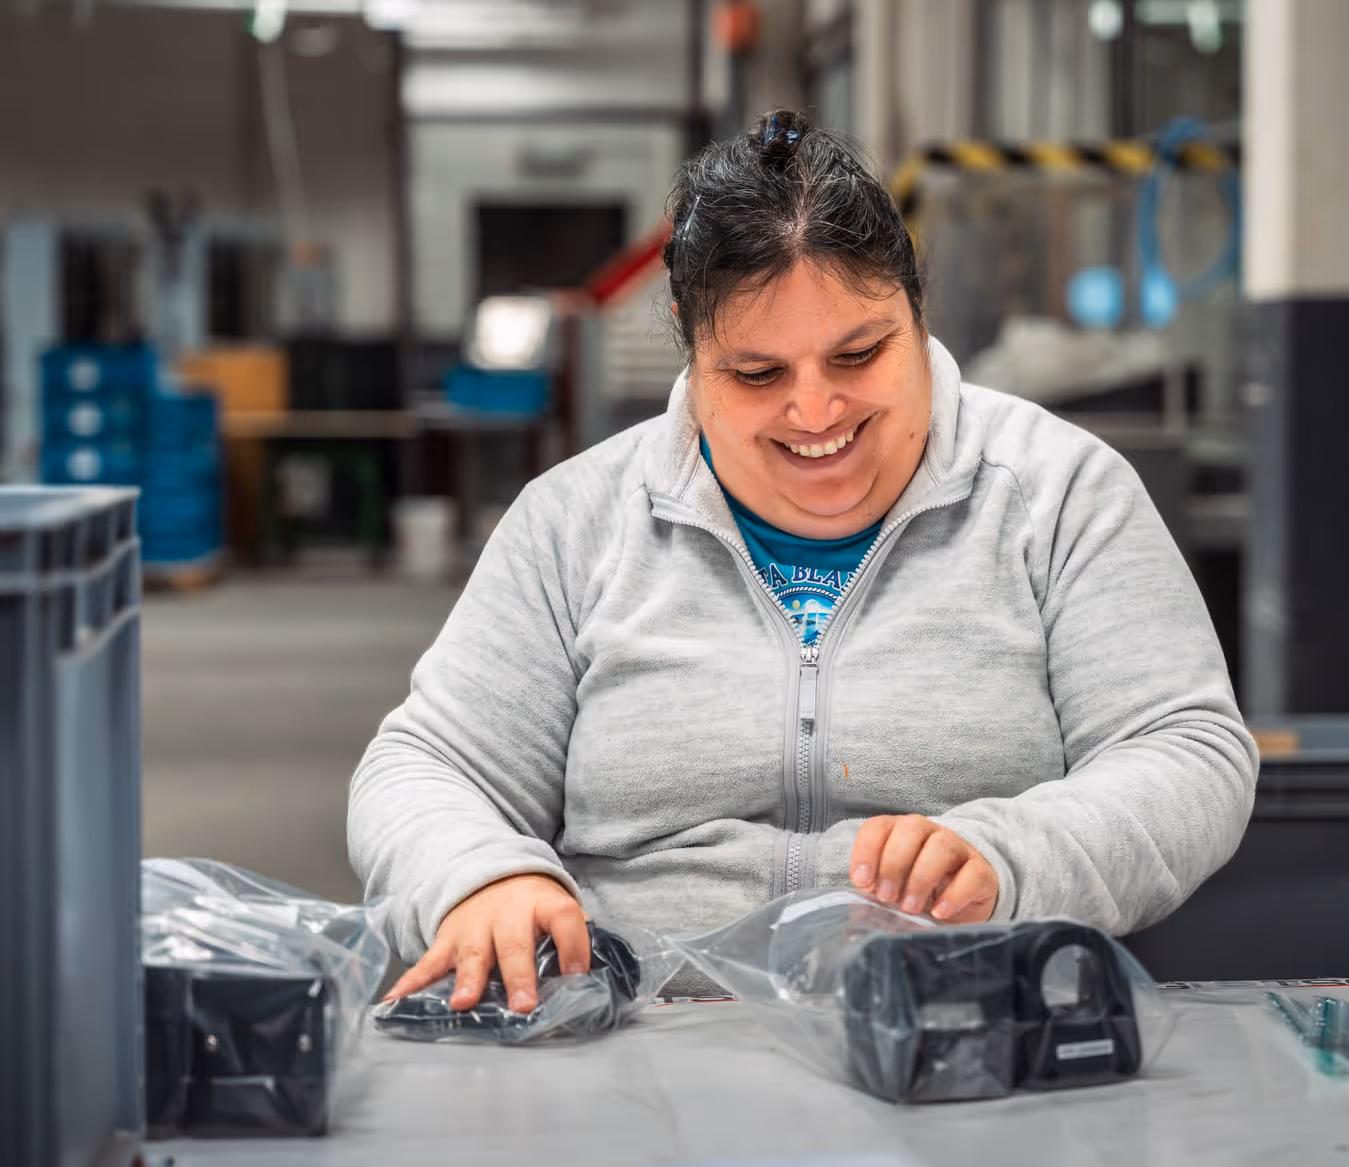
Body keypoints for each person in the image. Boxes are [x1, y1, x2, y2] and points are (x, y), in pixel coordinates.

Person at [352, 110, 1257, 1013]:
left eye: (860, 354)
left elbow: (1187, 750)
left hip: (970, 1036)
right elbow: (429, 765)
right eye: (757, 375)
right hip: (648, 1046)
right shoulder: (575, 524)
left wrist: (1012, 856)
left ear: (914, 309)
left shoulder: (1059, 496)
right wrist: (481, 876)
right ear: (690, 341)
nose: (816, 411)